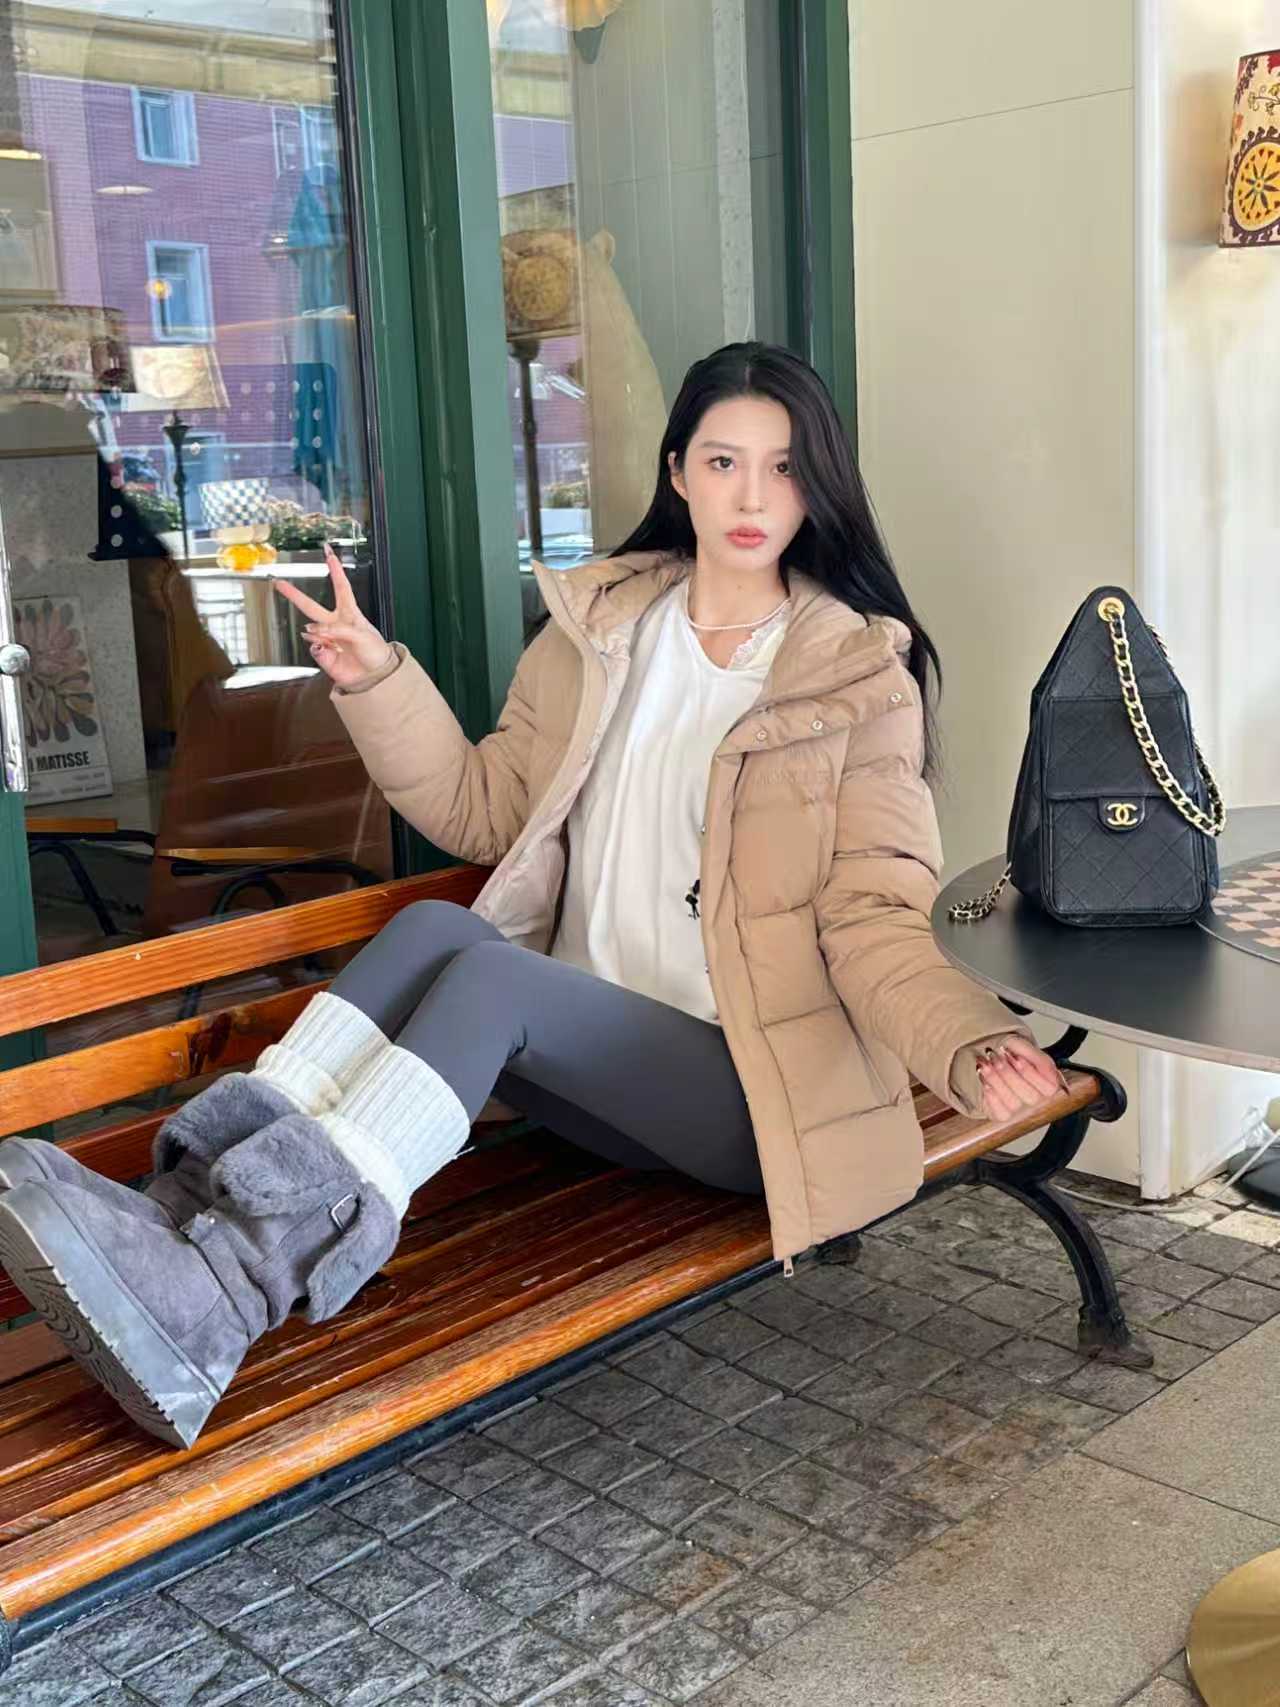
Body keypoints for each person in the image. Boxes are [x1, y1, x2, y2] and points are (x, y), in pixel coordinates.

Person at [0, 343, 1060, 1449]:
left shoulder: (853, 679)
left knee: (496, 982)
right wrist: (376, 680)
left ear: (817, 484)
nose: (752, 497)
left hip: (748, 1094)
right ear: (678, 472)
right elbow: (482, 808)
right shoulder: (599, 635)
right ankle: (176, 1223)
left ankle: (232, 1293)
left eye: (783, 467)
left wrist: (965, 1041)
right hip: (589, 1076)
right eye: (723, 461)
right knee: (433, 927)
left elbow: (874, 912)